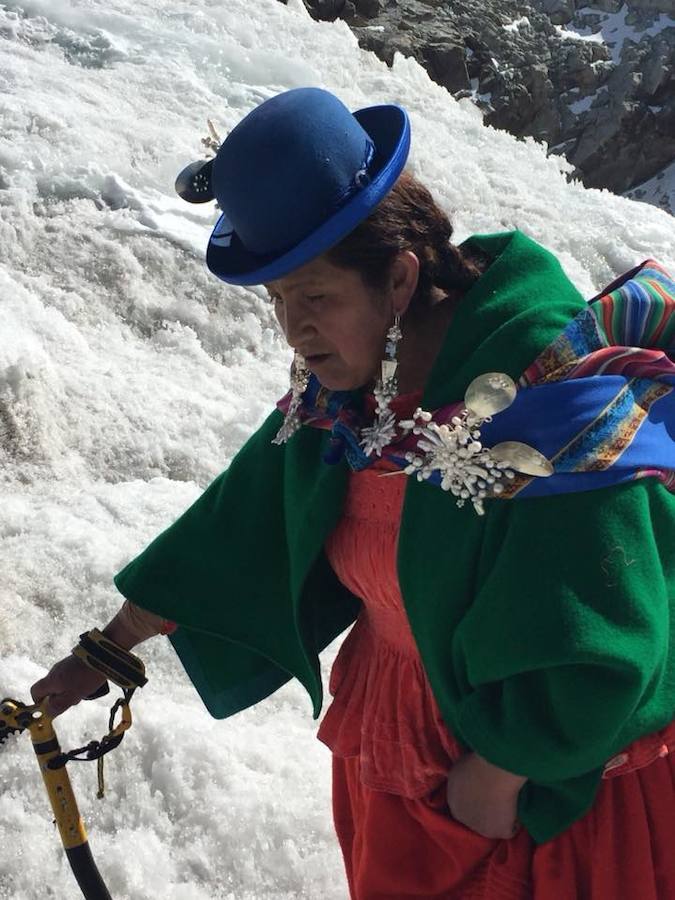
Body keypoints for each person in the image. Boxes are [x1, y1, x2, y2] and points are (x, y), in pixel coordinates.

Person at [31, 87, 675, 899]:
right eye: (276, 301)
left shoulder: (551, 404)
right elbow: (240, 527)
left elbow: (612, 630)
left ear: (400, 279)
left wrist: (500, 772)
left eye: (315, 297)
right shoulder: (345, 395)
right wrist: (108, 647)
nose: (294, 331)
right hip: (397, 761)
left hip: (546, 793)